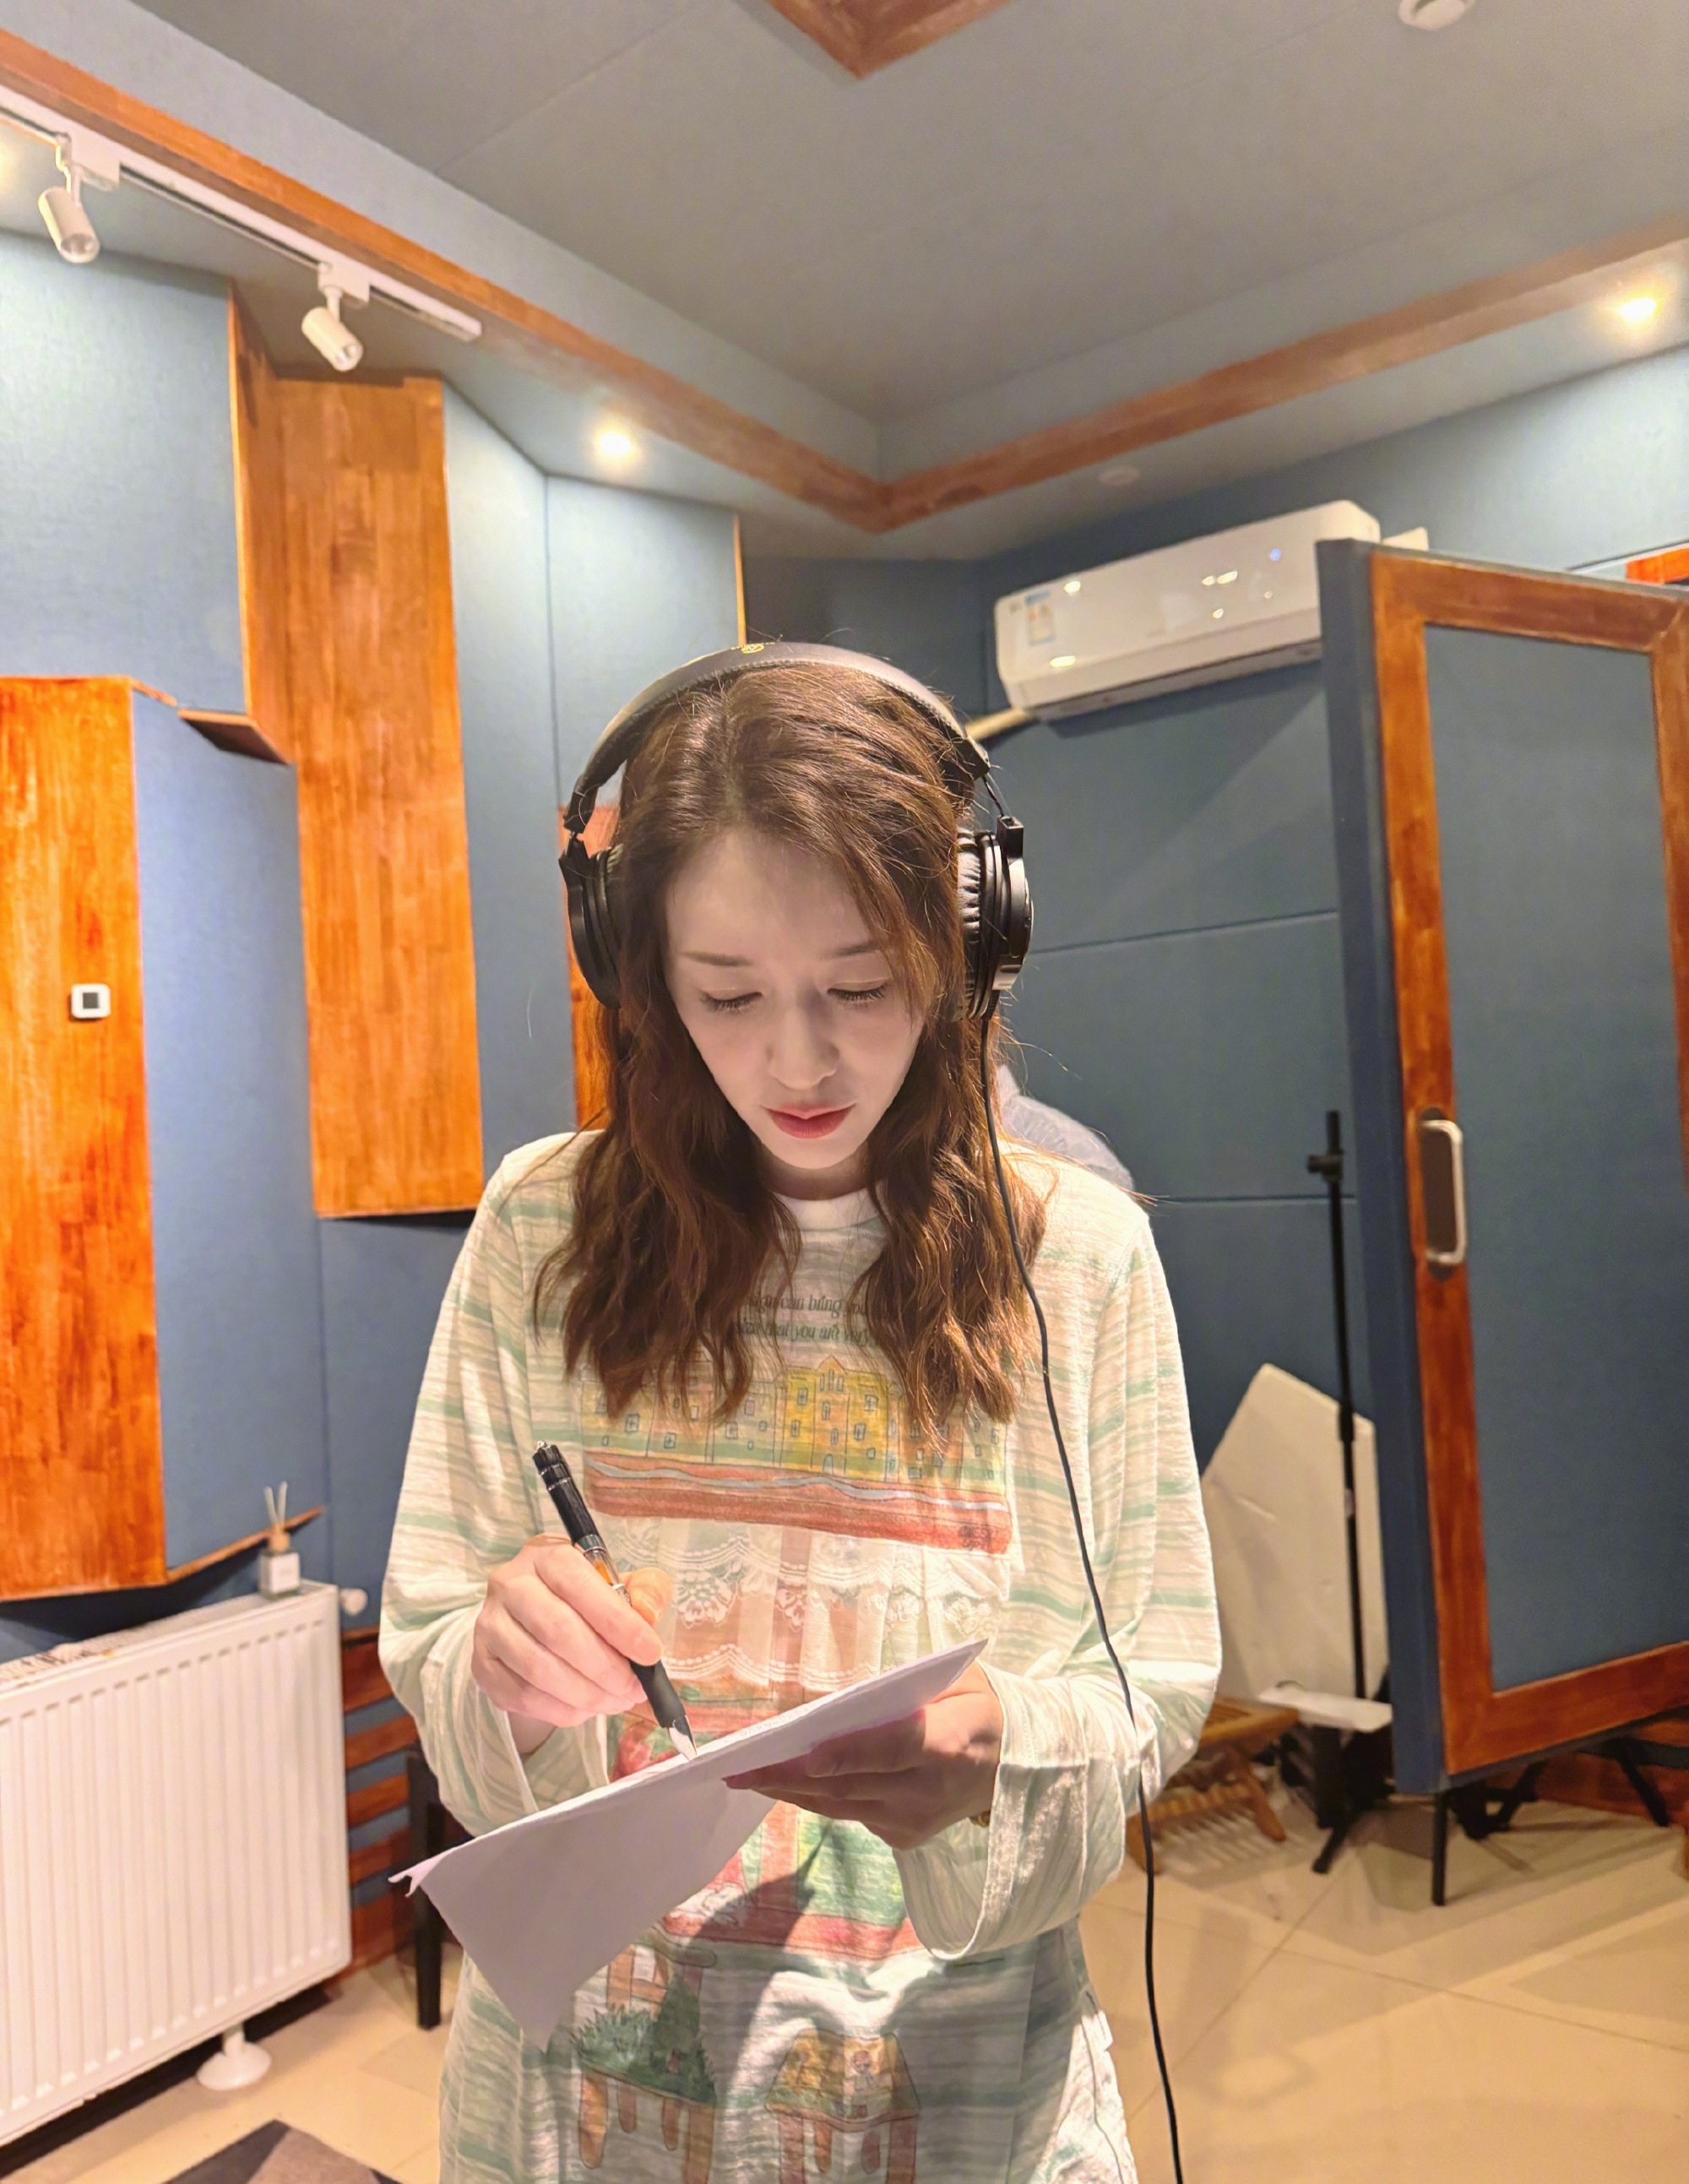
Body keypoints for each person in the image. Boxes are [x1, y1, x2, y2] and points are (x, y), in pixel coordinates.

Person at [381, 655, 1219, 2184]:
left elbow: (1147, 1688)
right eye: (727, 994)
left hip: (954, 2105)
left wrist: (998, 1754)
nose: (799, 1059)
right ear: (638, 973)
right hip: (580, 2110)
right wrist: (504, 1672)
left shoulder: (1076, 1257)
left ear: (968, 948)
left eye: (861, 984)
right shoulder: (536, 1232)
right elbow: (437, 1632)